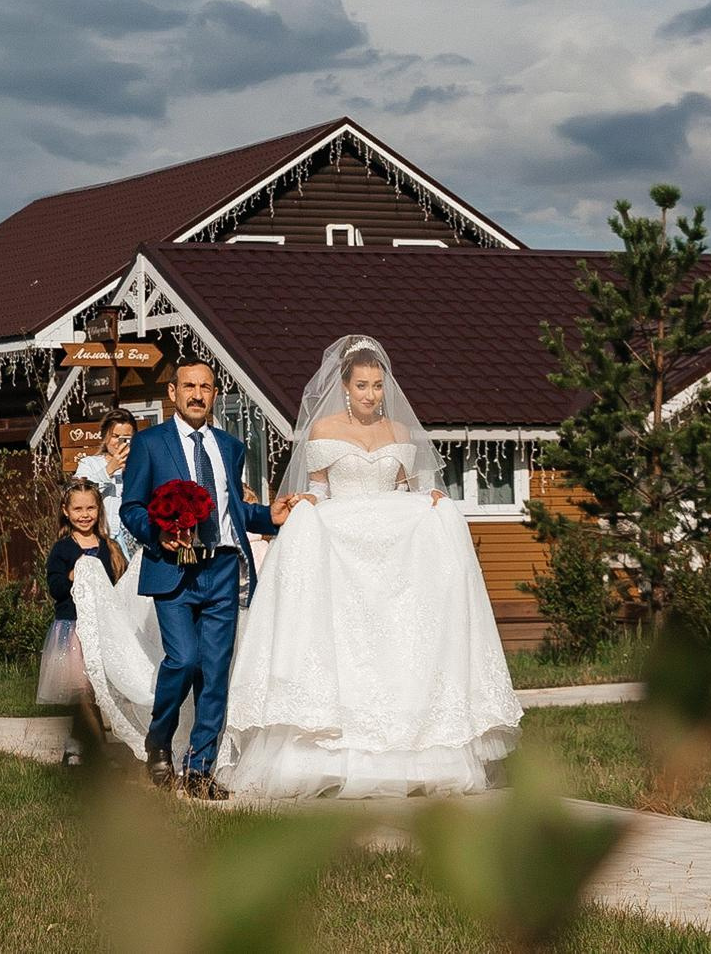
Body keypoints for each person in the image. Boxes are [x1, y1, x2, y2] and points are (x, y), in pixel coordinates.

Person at [215, 334, 523, 798]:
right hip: (342, 553)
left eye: (378, 386)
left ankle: (415, 754)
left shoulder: (400, 434)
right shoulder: (323, 432)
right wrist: (303, 507)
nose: (371, 395)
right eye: (362, 385)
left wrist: (431, 500)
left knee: (398, 643)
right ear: (344, 386)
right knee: (344, 643)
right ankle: (327, 757)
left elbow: (407, 490)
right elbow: (318, 491)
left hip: (393, 558)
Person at [110, 361, 306, 798]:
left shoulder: (229, 447)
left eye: (206, 387)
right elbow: (131, 508)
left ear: (215, 394)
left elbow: (232, 511)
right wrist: (158, 532)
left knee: (215, 674)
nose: (198, 394)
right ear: (173, 393)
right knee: (183, 660)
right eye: (190, 387)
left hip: (222, 568)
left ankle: (200, 770)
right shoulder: (150, 444)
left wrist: (269, 517)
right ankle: (159, 739)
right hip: (173, 568)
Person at [38, 479, 124, 726]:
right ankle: (91, 748)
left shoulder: (109, 548)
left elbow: (116, 586)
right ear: (66, 511)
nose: (85, 515)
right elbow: (56, 589)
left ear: (99, 510)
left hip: (103, 629)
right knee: (82, 690)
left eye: (90, 509)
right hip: (73, 629)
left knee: (100, 691)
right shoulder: (63, 549)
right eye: (78, 509)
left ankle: (86, 745)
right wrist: (72, 576)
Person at [72, 410, 140, 564]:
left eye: (126, 438)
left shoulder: (141, 465)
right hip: (101, 539)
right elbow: (78, 494)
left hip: (134, 541)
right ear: (104, 436)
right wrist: (110, 468)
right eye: (115, 436)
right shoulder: (89, 463)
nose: (119, 443)